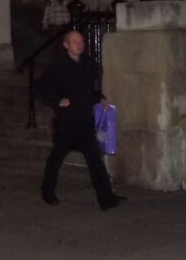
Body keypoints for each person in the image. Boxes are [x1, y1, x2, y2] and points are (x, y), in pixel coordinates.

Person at [35, 29, 125, 211]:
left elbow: (87, 91)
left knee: (94, 159)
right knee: (57, 157)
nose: (80, 45)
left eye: (81, 41)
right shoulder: (58, 66)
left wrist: (100, 97)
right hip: (67, 122)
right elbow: (40, 88)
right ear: (66, 45)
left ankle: (106, 198)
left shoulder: (87, 64)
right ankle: (48, 191)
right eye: (75, 42)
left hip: (84, 120)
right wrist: (57, 101)